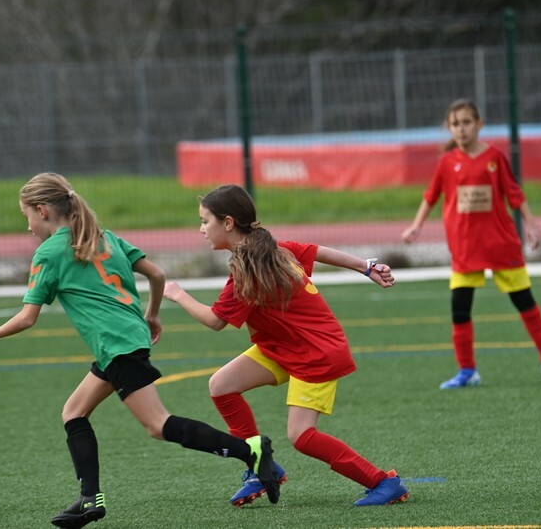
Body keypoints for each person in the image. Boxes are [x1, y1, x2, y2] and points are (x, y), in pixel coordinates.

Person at [0, 173, 280, 529]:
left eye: (26, 215)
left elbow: (28, 318)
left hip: (117, 345)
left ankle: (251, 451)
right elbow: (157, 274)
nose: (27, 226)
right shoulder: (104, 237)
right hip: (124, 341)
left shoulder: (49, 253)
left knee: (157, 425)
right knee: (74, 411)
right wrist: (152, 315)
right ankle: (89, 498)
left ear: (42, 211)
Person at [162, 184, 409, 508]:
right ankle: (258, 465)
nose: (201, 229)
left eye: (205, 221)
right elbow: (317, 251)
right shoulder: (271, 248)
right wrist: (365, 267)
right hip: (281, 347)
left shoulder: (252, 267)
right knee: (221, 386)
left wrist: (178, 294)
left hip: (316, 352)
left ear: (228, 223)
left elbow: (215, 321)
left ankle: (383, 482)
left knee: (302, 436)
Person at [401, 99, 541, 389]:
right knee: (460, 311)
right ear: (449, 128)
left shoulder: (495, 157)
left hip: (501, 245)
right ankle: (467, 371)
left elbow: (514, 193)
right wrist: (416, 225)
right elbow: (431, 196)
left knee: (526, 305)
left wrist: (532, 225)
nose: (461, 129)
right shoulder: (446, 163)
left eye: (466, 122)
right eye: (455, 124)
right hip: (465, 249)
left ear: (479, 124)